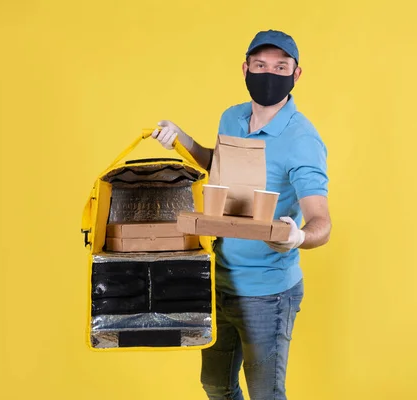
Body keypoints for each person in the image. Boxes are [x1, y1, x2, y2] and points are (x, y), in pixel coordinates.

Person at [151, 29, 332, 400]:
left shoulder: (302, 139)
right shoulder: (232, 118)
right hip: (219, 279)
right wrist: (181, 137)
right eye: (261, 65)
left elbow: (321, 221)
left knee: (265, 394)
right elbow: (221, 167)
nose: (270, 73)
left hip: (268, 293)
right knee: (215, 386)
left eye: (281, 67)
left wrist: (297, 236)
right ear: (245, 68)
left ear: (296, 75)